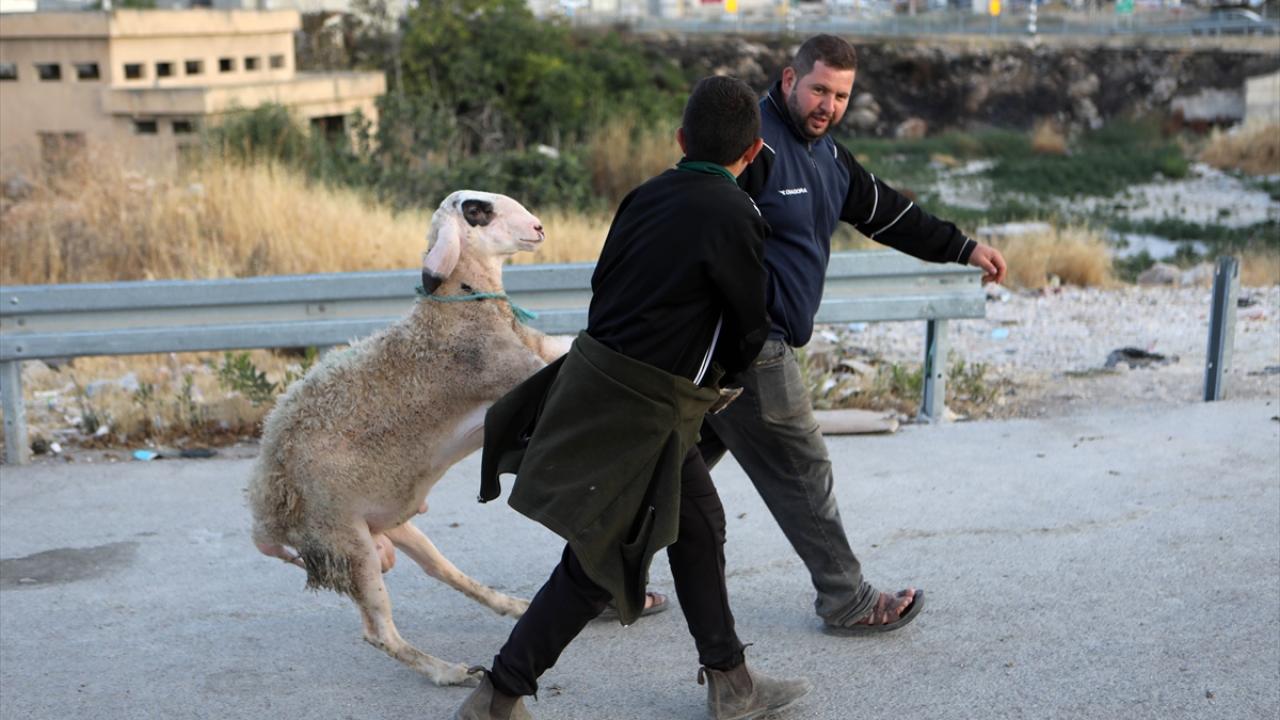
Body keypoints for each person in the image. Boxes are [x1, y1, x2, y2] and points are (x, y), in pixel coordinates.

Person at [454, 76, 812, 720]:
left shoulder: (643, 196)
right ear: (754, 152)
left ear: (680, 140)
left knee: (697, 525)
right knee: (602, 557)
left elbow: (607, 286)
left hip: (594, 377)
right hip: (646, 407)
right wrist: (723, 382)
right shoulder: (736, 214)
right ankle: (498, 695)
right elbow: (747, 324)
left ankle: (730, 680)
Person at [696, 34, 1009, 635]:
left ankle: (600, 582)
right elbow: (698, 222)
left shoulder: (827, 157)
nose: (828, 106)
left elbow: (887, 213)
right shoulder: (751, 144)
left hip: (729, 351)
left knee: (671, 470)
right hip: (750, 346)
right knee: (803, 466)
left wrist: (963, 247)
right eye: (819, 90)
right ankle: (847, 599)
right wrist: (742, 325)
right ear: (790, 79)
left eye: (840, 96)